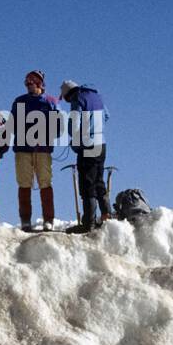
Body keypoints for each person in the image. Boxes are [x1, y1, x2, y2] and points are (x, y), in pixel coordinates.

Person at [9, 69, 59, 230]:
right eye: (27, 82)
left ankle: (48, 219)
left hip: (43, 149)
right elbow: (12, 123)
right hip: (23, 148)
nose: (28, 84)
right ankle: (25, 220)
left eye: (31, 81)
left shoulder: (50, 101)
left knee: (45, 182)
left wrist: (45, 134)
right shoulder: (19, 101)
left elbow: (57, 126)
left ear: (39, 83)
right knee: (24, 183)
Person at [60, 79, 111, 233]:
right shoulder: (97, 97)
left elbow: (74, 126)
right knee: (98, 180)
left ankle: (88, 224)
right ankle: (107, 217)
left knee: (87, 184)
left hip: (87, 145)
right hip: (101, 144)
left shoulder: (78, 99)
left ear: (68, 94)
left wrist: (75, 141)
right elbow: (107, 116)